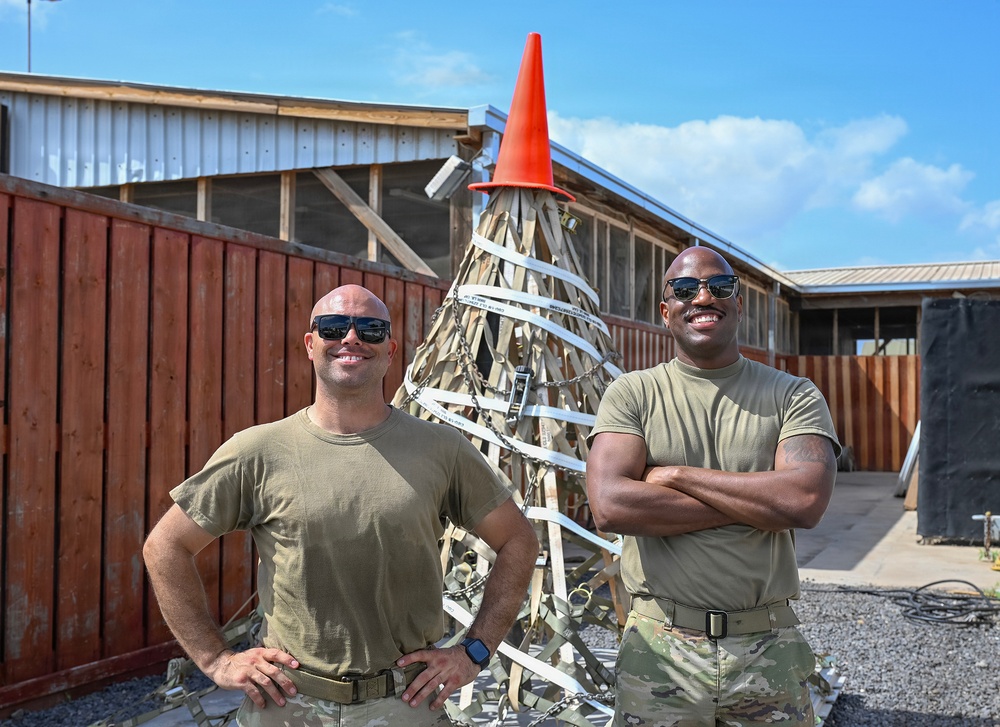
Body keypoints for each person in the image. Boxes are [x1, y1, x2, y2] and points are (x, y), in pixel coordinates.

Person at [144, 284, 539, 727]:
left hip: (404, 704)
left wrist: (475, 651)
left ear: (390, 352)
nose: (351, 338)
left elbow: (518, 541)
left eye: (370, 330)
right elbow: (165, 547)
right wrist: (215, 659)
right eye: (334, 327)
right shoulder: (257, 451)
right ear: (311, 345)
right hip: (287, 703)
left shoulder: (440, 449)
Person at [586, 247, 840, 726]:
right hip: (661, 648)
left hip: (767, 646)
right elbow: (610, 505)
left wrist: (676, 476)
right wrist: (760, 503)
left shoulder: (793, 394)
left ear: (738, 303)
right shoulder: (633, 393)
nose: (703, 296)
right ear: (666, 311)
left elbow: (804, 501)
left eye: (719, 287)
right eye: (685, 289)